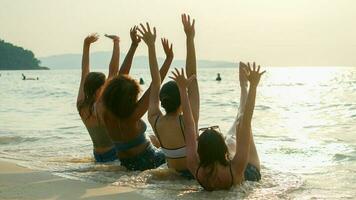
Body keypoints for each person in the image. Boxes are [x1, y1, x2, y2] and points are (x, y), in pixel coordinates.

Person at [171, 62, 264, 191]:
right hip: (249, 176)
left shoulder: (195, 167)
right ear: (222, 148)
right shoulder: (236, 167)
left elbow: (189, 126)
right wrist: (254, 86)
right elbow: (247, 120)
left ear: (200, 151)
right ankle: (244, 86)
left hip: (229, 168)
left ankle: (244, 87)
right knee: (241, 124)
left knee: (236, 132)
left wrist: (182, 89)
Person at [96, 23, 173, 171]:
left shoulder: (102, 110)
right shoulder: (134, 114)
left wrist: (133, 46)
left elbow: (118, 78)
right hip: (151, 160)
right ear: (130, 97)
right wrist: (168, 57)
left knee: (153, 137)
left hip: (126, 163)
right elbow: (155, 83)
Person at [76, 27, 141, 162]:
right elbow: (115, 72)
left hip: (97, 155)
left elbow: (84, 71)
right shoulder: (101, 106)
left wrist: (86, 45)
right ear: (100, 88)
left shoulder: (81, 105)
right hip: (112, 155)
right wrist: (116, 43)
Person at [146, 14, 199, 179]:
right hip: (192, 177)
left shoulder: (154, 119)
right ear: (182, 102)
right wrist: (190, 37)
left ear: (163, 101)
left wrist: (150, 46)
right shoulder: (188, 121)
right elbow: (192, 76)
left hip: (172, 175)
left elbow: (155, 82)